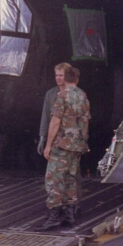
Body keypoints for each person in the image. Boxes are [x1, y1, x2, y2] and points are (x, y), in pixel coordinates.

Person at [37, 67, 90, 231]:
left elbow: (55, 122)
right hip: (76, 146)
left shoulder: (62, 96)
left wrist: (47, 144)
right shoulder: (83, 96)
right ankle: (69, 216)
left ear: (65, 79)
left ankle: (53, 217)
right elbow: (85, 124)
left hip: (61, 146)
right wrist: (82, 144)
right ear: (77, 80)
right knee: (70, 180)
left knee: (54, 180)